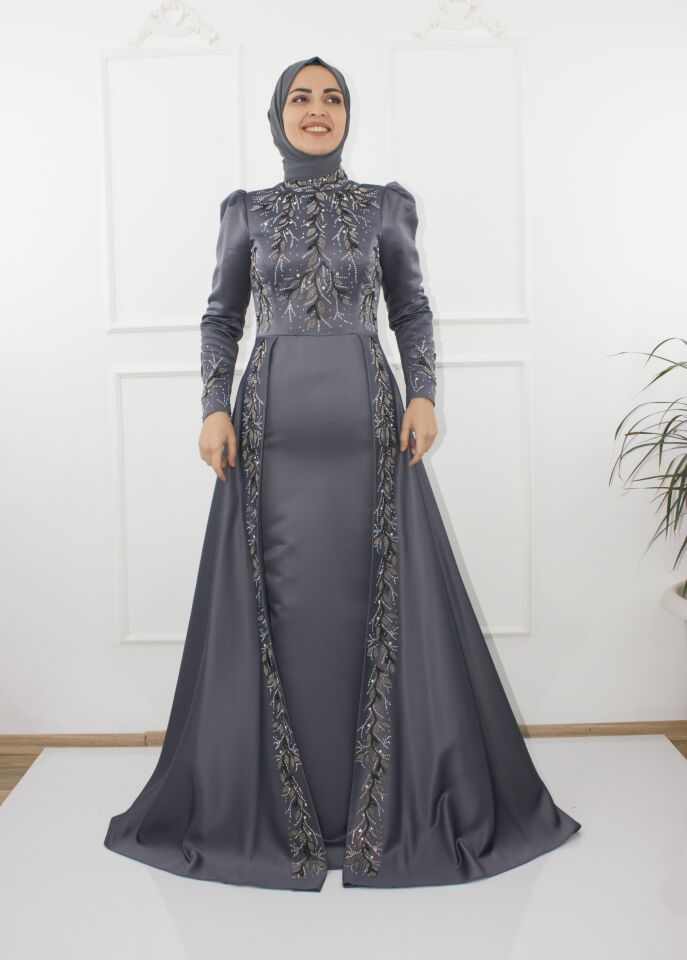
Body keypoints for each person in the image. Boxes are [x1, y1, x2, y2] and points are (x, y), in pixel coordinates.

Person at [104, 55, 581, 892]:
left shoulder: (384, 206)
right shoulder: (245, 212)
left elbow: (411, 309)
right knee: (281, 603)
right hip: (269, 431)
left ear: (348, 114)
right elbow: (220, 317)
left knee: (371, 597)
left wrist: (423, 393)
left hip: (368, 426)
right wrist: (213, 405)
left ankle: (372, 812)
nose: (316, 110)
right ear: (277, 114)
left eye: (331, 98)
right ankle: (287, 809)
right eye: (300, 97)